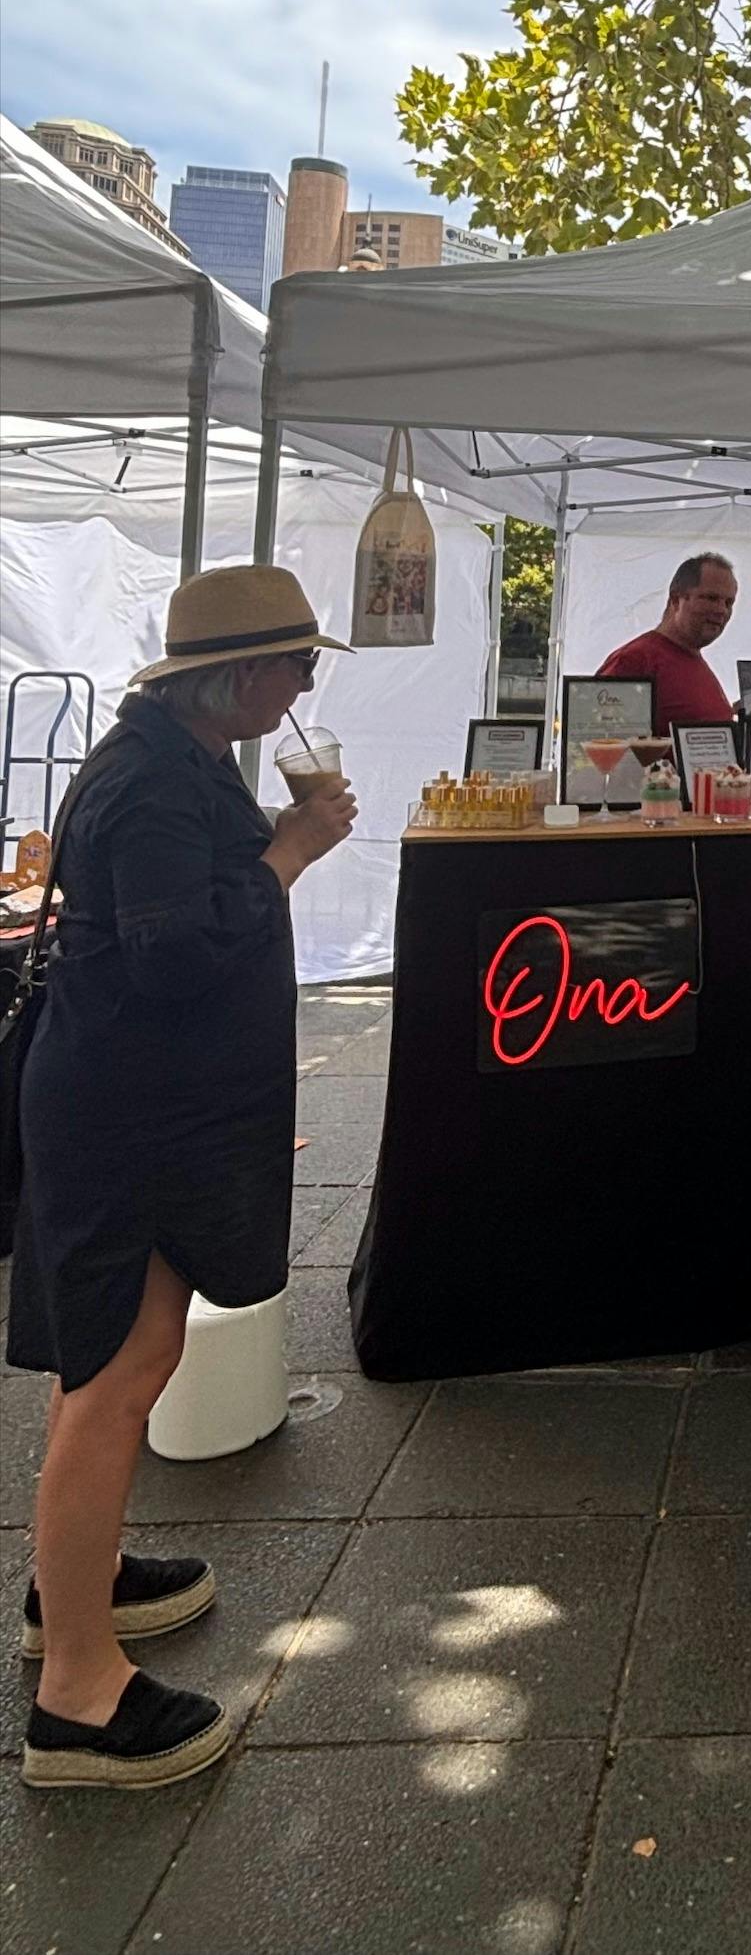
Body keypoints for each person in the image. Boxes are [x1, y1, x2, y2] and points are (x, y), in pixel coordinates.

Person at [9, 565, 358, 1791]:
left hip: (122, 1100)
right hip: (128, 1110)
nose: (308, 685)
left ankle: (75, 1588)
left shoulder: (173, 751)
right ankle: (76, 1700)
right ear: (246, 671)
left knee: (109, 1357)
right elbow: (176, 953)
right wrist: (294, 850)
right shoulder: (162, 775)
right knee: (118, 1374)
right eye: (298, 665)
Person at [596, 551, 751, 814]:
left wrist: (739, 784)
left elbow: (695, 763)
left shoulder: (696, 661)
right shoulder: (635, 661)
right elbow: (599, 755)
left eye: (729, 602)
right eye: (710, 598)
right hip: (656, 833)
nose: (721, 610)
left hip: (697, 829)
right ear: (676, 599)